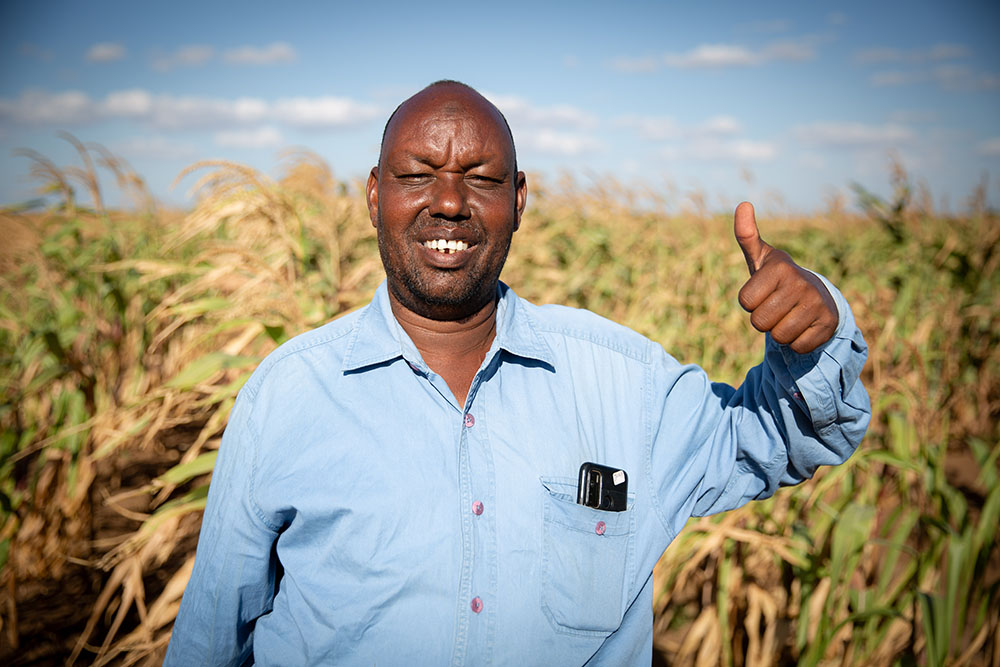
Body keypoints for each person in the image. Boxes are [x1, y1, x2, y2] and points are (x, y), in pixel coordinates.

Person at [165, 80, 870, 666]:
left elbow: (776, 439)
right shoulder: (288, 395)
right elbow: (209, 641)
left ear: (519, 201)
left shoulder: (623, 383)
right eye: (417, 175)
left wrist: (816, 338)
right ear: (375, 196)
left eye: (481, 178)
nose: (448, 201)